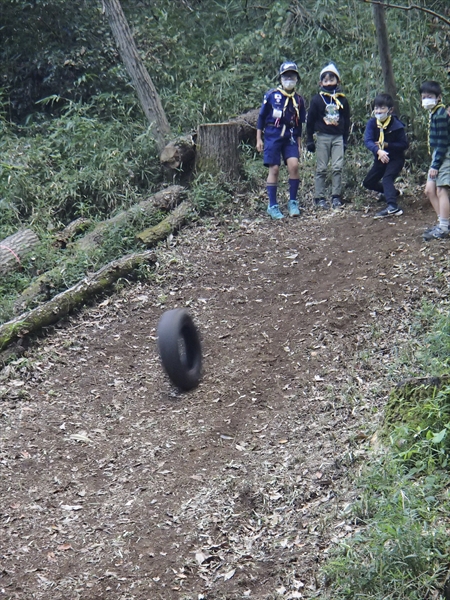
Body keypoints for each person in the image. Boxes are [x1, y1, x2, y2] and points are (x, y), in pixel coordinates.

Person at [256, 61, 306, 219]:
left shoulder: (299, 100)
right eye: (286, 76)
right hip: (273, 134)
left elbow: (299, 124)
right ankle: (272, 205)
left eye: (292, 76)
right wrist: (259, 138)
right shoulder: (272, 95)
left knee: (294, 165)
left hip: (290, 135)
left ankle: (293, 202)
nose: (289, 79)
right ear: (281, 78)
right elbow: (261, 117)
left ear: (297, 79)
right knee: (274, 169)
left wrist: (299, 144)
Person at [306, 63, 351, 209]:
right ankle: (319, 197)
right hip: (322, 136)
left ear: (338, 81)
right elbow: (310, 120)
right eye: (325, 80)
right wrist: (309, 139)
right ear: (321, 83)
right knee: (322, 168)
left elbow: (346, 120)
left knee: (337, 167)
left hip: (337, 137)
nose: (329, 83)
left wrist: (345, 140)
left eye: (332, 79)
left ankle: (336, 196)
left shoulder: (342, 100)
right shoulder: (317, 100)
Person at [363, 93, 409, 218]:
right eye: (376, 108)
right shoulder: (372, 123)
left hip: (395, 159)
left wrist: (387, 145)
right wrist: (378, 150)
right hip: (380, 158)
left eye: (382, 108)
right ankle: (392, 193)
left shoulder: (396, 125)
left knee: (387, 179)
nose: (378, 111)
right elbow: (367, 140)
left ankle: (393, 207)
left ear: (390, 110)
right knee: (368, 182)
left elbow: (404, 144)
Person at [420, 80, 450, 240]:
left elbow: (443, 142)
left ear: (438, 97)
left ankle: (444, 228)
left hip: (444, 156)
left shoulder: (441, 115)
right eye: (423, 97)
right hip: (438, 156)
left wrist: (436, 164)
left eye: (429, 96)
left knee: (441, 189)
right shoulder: (435, 113)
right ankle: (443, 223)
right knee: (429, 190)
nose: (426, 100)